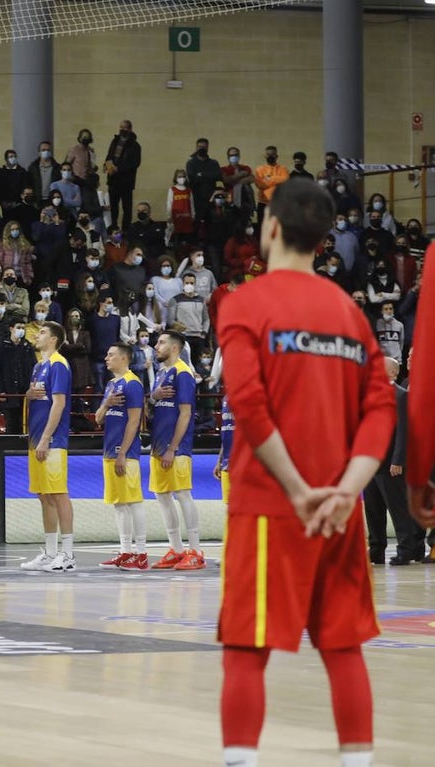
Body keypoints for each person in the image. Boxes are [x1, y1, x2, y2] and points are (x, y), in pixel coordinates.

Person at [217, 179, 396, 767]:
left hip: (273, 506)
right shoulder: (350, 313)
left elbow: (248, 403)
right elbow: (381, 408)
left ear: (269, 229)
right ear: (323, 242)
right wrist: (347, 490)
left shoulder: (244, 304)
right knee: (343, 647)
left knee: (247, 648)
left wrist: (298, 490)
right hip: (341, 513)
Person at [19, 321, 75, 572]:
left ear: (53, 339)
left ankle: (68, 554)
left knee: (58, 493)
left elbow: (59, 403)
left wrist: (45, 438)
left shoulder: (58, 364)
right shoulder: (38, 366)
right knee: (44, 495)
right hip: (36, 436)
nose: (37, 336)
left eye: (42, 332)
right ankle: (50, 552)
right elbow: (40, 399)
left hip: (51, 439)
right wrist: (28, 397)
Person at [146, 330, 204, 570]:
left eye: (161, 342)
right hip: (158, 446)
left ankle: (196, 551)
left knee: (182, 494)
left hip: (175, 448)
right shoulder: (161, 373)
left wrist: (173, 447)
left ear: (174, 348)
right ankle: (176, 549)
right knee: (162, 496)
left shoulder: (183, 373)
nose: (156, 346)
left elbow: (186, 412)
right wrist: (152, 397)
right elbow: (152, 410)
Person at [364, 356, 424, 566]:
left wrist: (398, 460)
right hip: (370, 463)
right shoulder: (369, 395)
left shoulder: (401, 395)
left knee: (397, 509)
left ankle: (406, 549)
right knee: (372, 510)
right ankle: (376, 550)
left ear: (392, 372)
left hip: (391, 463)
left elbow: (403, 432)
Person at [95, 343, 147, 571]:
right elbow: (98, 419)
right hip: (109, 449)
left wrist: (123, 452)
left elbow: (135, 421)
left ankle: (142, 553)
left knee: (133, 501)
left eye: (111, 355)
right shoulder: (110, 385)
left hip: (126, 452)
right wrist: (106, 404)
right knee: (119, 503)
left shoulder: (132, 383)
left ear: (124, 358)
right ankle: (126, 551)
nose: (106, 358)